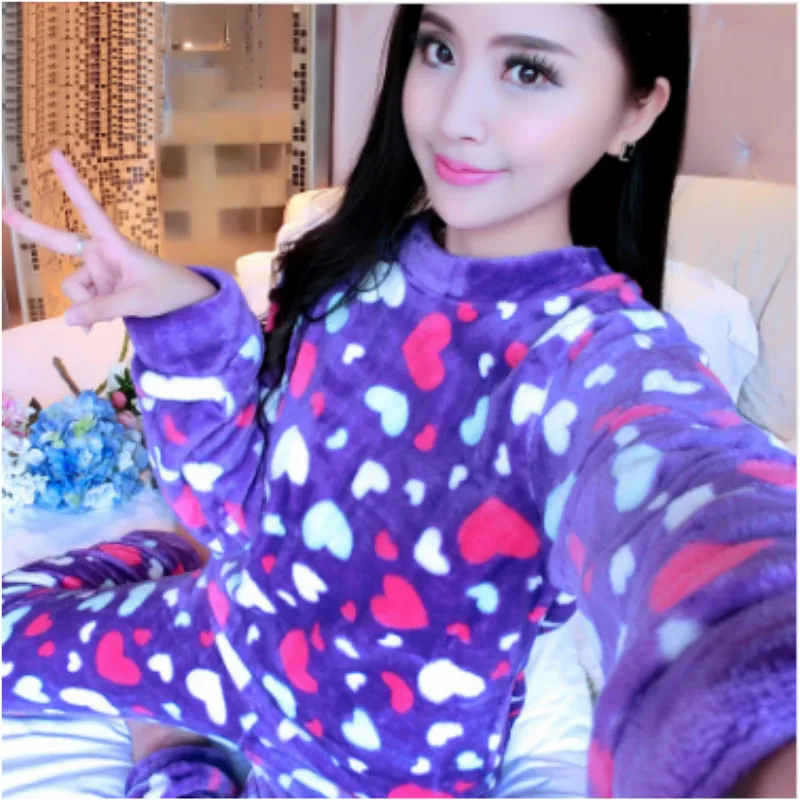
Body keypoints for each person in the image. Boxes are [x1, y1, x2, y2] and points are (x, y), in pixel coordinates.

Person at [2, 4, 795, 797]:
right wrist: (177, 314)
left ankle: (170, 744)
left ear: (638, 109)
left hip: (372, 761)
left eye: (528, 70)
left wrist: (761, 714)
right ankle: (160, 603)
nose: (455, 118)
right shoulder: (346, 270)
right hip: (225, 637)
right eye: (439, 49)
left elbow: (704, 505)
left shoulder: (596, 360)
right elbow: (230, 515)